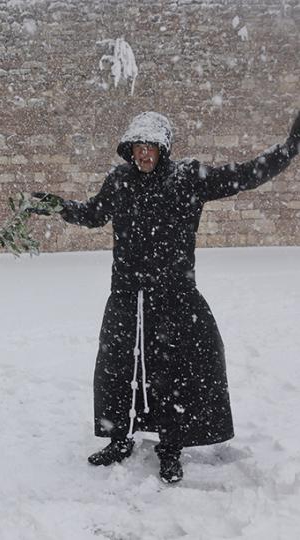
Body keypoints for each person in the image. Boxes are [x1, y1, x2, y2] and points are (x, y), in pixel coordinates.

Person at [30, 110, 300, 483]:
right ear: (129, 150)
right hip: (126, 294)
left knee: (172, 375)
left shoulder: (187, 178)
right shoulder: (119, 181)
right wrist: (59, 206)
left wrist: (289, 149)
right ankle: (119, 438)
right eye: (138, 147)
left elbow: (244, 175)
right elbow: (93, 214)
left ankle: (170, 448)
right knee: (119, 370)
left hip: (173, 296)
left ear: (164, 149)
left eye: (151, 147)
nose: (143, 154)